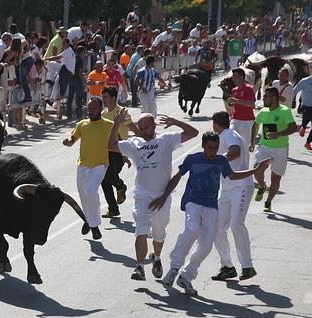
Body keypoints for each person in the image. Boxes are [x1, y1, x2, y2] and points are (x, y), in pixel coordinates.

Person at [156, 131, 270, 295]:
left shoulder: (221, 160)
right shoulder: (192, 159)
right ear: (203, 146)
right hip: (192, 202)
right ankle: (174, 267)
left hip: (211, 206)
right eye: (209, 148)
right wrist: (163, 196)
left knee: (207, 244)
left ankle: (186, 276)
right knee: (192, 230)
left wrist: (255, 171)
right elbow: (177, 176)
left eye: (216, 148)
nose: (212, 152)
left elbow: (231, 175)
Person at [108, 110, 198, 281]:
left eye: (147, 128)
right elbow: (111, 146)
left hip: (162, 195)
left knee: (159, 232)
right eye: (141, 128)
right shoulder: (134, 143)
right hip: (142, 194)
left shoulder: (166, 140)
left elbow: (193, 133)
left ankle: (156, 257)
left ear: (154, 126)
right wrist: (116, 124)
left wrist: (176, 121)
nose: (144, 131)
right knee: (141, 229)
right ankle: (139, 267)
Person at [211, 111, 257, 282]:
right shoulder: (227, 134)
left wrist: (216, 161)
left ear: (215, 124)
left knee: (237, 224)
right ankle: (227, 267)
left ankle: (247, 266)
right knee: (216, 227)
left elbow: (235, 151)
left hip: (241, 186)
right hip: (227, 188)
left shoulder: (228, 134)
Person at [63, 97, 112, 240]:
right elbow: (72, 140)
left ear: (101, 109)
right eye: (89, 108)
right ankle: (88, 220)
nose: (91, 111)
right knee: (84, 196)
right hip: (83, 165)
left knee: (91, 191)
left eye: (94, 108)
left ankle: (94, 226)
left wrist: (125, 156)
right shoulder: (82, 124)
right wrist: (67, 142)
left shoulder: (109, 125)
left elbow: (118, 142)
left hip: (100, 165)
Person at [250, 87, 298, 212]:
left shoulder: (284, 111)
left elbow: (293, 128)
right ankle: (262, 186)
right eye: (264, 96)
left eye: (266, 96)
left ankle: (268, 201)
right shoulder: (263, 111)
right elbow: (255, 124)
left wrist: (279, 134)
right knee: (256, 169)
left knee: (275, 178)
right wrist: (252, 142)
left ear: (274, 98)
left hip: (280, 149)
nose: (263, 98)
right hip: (264, 147)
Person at [100, 87, 139, 219]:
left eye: (106, 97)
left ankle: (120, 185)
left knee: (109, 175)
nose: (104, 100)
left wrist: (146, 138)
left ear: (112, 98)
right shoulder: (103, 114)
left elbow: (133, 128)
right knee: (103, 180)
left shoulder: (121, 112)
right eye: (103, 97)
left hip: (119, 151)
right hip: (106, 150)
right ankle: (113, 209)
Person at [227, 68, 256, 149]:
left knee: (244, 146)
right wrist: (231, 103)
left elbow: (252, 104)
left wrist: (236, 100)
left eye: (235, 76)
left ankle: (244, 161)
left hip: (247, 121)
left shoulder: (248, 88)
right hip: (235, 119)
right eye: (233, 77)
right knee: (232, 141)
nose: (233, 79)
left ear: (242, 77)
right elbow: (235, 104)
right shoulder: (234, 90)